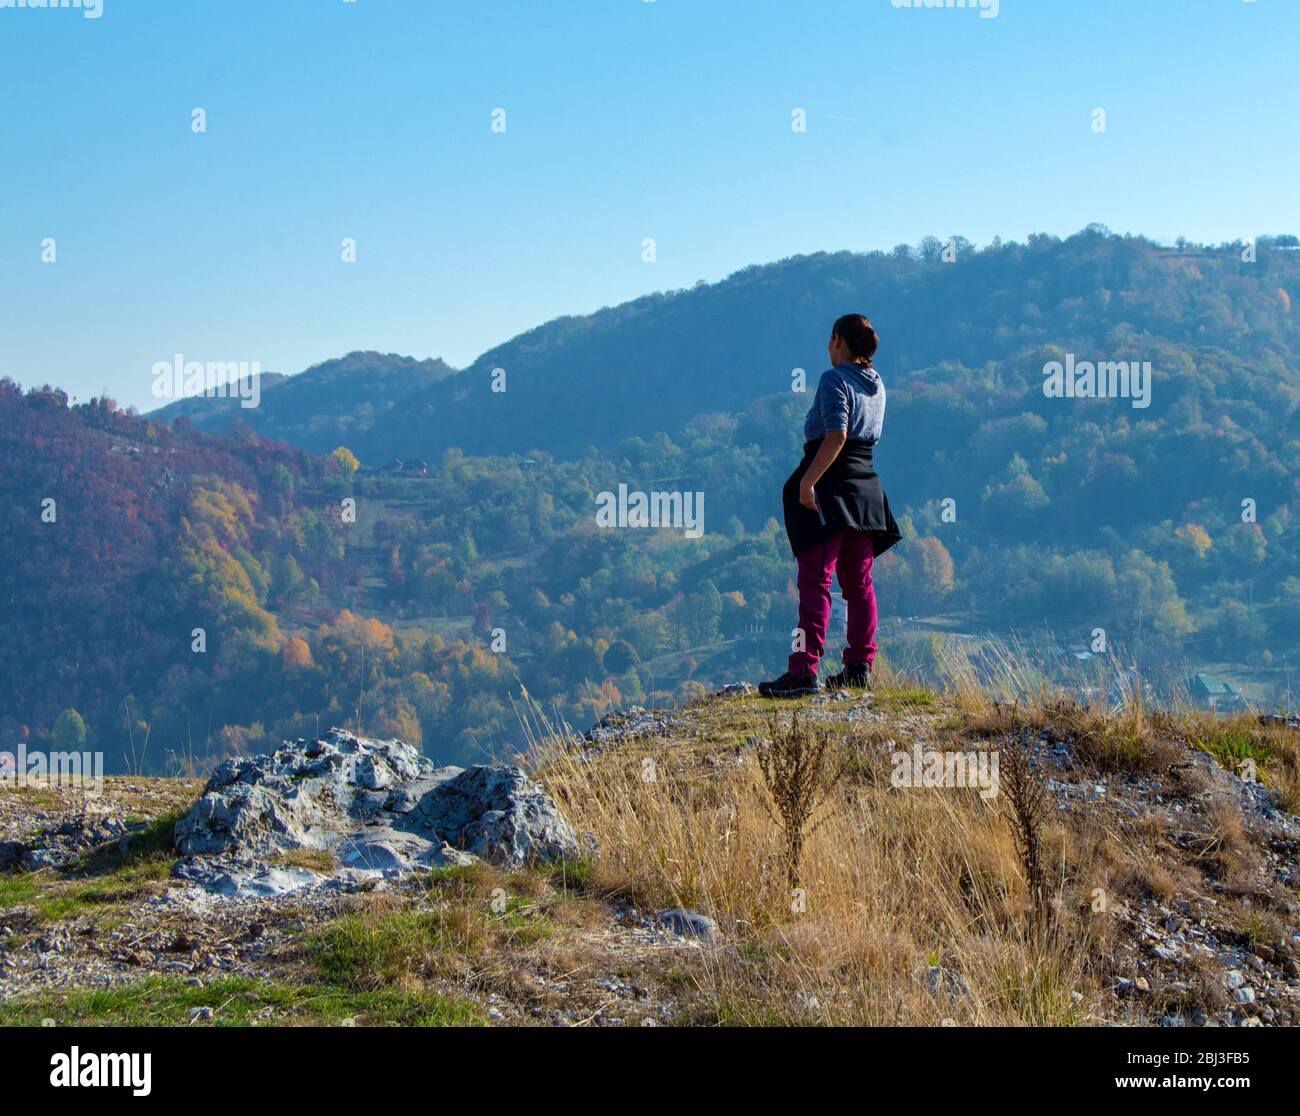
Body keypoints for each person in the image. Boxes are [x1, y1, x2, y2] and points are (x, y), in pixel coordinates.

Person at [759, 314, 901, 698]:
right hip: (866, 488)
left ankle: (804, 671)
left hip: (831, 489)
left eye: (830, 338)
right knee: (859, 584)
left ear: (838, 340)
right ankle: (859, 667)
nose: (827, 345)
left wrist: (809, 481)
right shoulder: (877, 383)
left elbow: (837, 434)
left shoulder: (834, 379)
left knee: (815, 581)